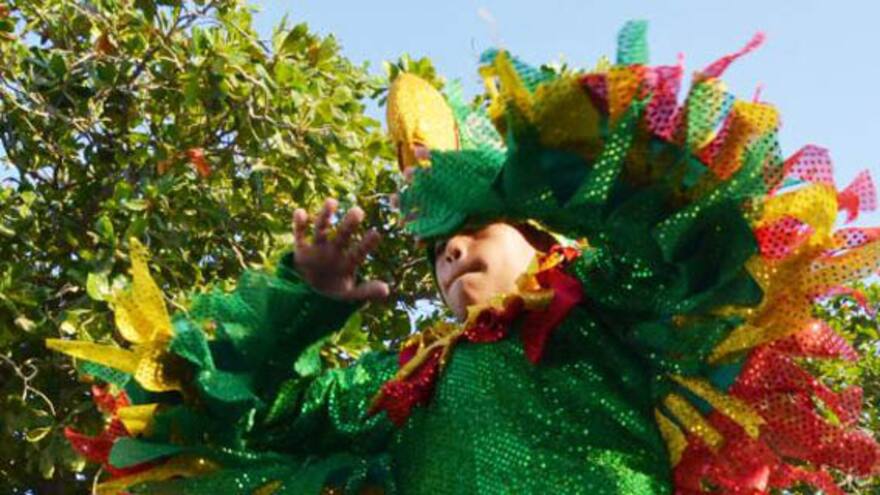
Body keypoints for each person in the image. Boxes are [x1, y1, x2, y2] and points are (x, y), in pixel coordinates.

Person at [48, 21, 880, 494]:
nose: (449, 249)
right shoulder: (393, 384)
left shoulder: (604, 300)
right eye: (439, 245)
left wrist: (532, 171)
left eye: (478, 226)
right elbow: (205, 412)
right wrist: (303, 299)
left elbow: (693, 232)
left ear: (548, 239)